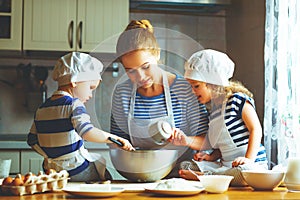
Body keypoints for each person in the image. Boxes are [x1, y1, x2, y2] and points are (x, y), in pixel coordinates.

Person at [110, 19, 209, 177]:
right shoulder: (122, 93)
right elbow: (117, 143)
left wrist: (186, 141)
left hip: (184, 178)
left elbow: (207, 140)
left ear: (157, 54)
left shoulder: (185, 89)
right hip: (139, 176)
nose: (140, 77)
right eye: (131, 71)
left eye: (146, 67)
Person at [27, 52, 134, 182]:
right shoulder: (73, 104)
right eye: (90, 87)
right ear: (74, 81)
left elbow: (32, 140)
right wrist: (115, 139)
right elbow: (87, 132)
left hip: (51, 171)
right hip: (76, 169)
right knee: (105, 176)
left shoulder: (41, 108)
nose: (90, 95)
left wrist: (51, 157)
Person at [172, 49, 268, 186]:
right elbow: (223, 145)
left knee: (244, 172)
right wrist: (211, 157)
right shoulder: (215, 111)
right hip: (228, 166)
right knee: (186, 166)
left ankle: (205, 177)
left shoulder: (237, 100)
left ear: (213, 82)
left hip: (250, 165)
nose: (193, 91)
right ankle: (213, 177)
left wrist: (248, 159)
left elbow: (256, 130)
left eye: (196, 86)